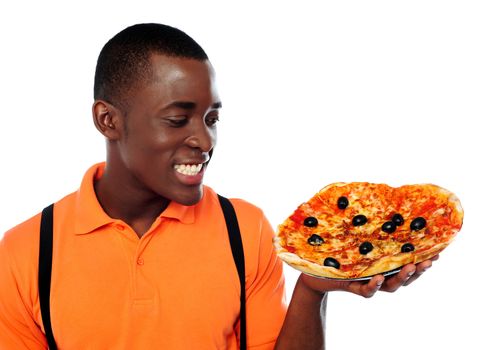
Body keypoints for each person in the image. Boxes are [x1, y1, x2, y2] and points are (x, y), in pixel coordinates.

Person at [0, 23, 434, 349]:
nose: (205, 141)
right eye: (177, 119)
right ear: (107, 120)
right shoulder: (25, 253)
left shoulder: (244, 229)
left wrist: (313, 287)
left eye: (212, 119)